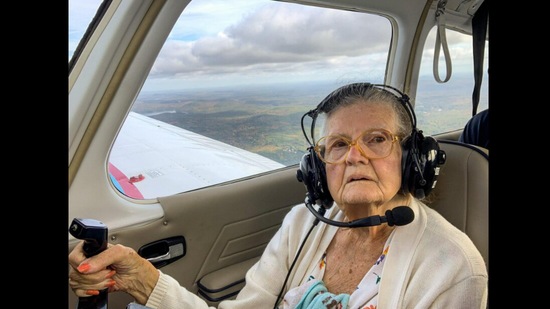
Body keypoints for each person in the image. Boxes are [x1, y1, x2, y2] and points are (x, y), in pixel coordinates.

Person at [69, 83, 488, 308]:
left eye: (377, 139)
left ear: (411, 157)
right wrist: (144, 280)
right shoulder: (304, 222)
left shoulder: (453, 267)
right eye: (337, 145)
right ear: (318, 166)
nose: (354, 157)